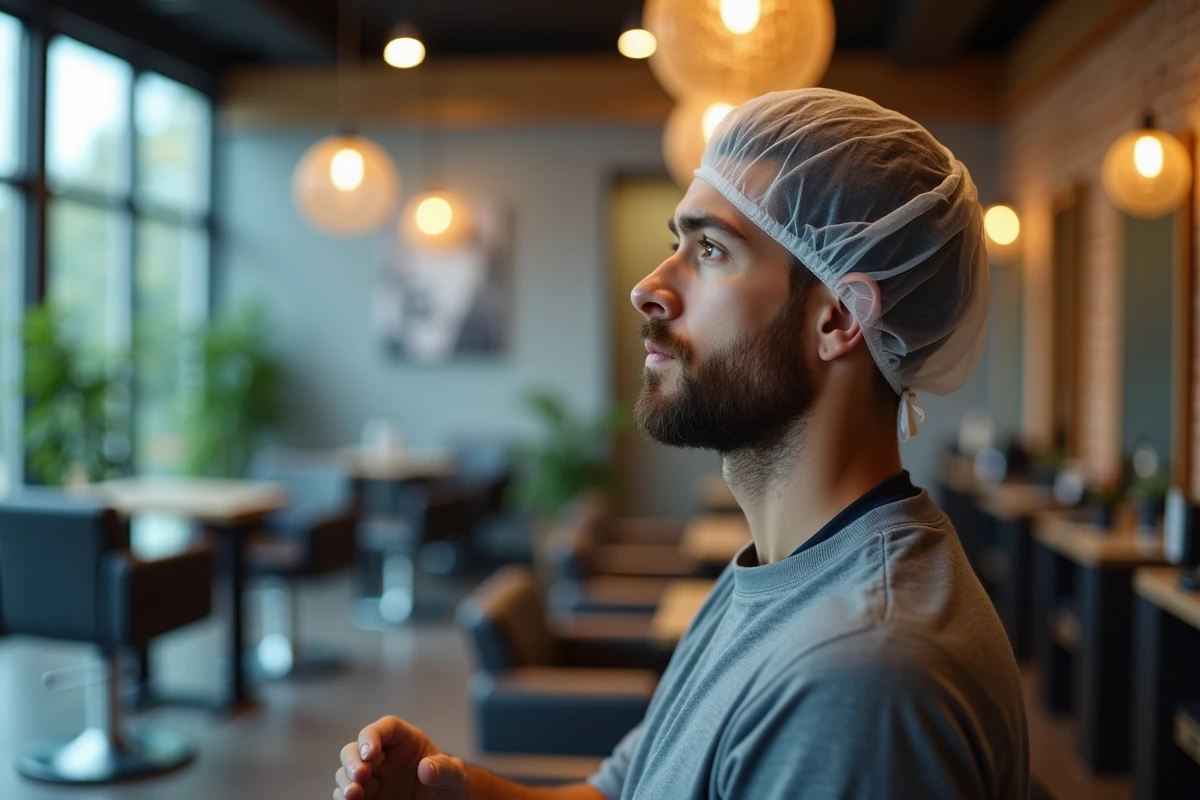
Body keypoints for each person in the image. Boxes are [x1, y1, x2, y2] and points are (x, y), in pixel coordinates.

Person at [333, 88, 1029, 800]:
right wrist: (466, 794)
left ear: (838, 321)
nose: (648, 288)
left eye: (711, 250)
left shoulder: (859, 681)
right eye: (677, 244)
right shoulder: (775, 572)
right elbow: (624, 790)